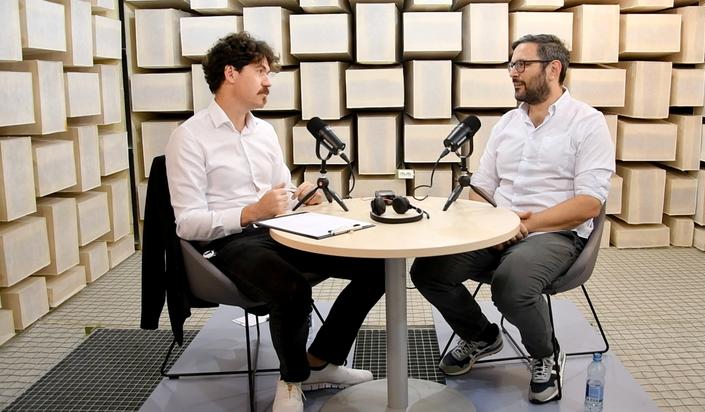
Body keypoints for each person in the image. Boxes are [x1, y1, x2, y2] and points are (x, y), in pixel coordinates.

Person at [165, 31, 385, 412]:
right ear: (231, 73)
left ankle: (320, 360)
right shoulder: (189, 137)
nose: (269, 81)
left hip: (278, 231)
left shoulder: (264, 132)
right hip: (226, 245)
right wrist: (251, 213)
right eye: (261, 71)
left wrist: (300, 197)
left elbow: (280, 190)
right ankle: (292, 380)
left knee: (378, 268)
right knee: (291, 288)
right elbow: (186, 223)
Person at [410, 34, 615, 404]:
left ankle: (545, 354)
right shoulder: (507, 124)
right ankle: (482, 336)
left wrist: (525, 225)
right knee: (428, 272)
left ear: (553, 69)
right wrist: (493, 223)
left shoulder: (587, 123)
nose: (512, 73)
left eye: (522, 65)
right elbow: (482, 186)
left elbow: (588, 204)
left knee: (512, 283)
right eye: (511, 65)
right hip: (498, 228)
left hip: (555, 233)